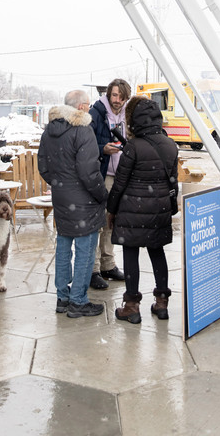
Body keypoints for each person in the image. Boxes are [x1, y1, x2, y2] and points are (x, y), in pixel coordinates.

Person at [107, 96, 179, 324]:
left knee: (131, 254)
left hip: (132, 210)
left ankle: (131, 306)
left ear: (135, 120)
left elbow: (119, 184)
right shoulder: (170, 145)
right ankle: (162, 303)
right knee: (157, 252)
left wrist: (111, 210)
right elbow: (173, 182)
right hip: (159, 210)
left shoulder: (134, 147)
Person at [38, 89, 107, 318]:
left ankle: (62, 297)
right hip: (84, 200)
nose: (89, 108)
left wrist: (61, 185)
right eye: (87, 105)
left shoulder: (49, 130)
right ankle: (78, 300)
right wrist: (101, 194)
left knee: (64, 245)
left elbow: (43, 167)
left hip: (61, 197)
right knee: (86, 250)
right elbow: (89, 172)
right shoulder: (83, 130)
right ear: (81, 107)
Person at [88, 78, 130, 289]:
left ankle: (108, 264)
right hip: (102, 173)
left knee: (111, 221)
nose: (117, 100)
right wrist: (102, 148)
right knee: (97, 221)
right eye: (114, 96)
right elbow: (86, 142)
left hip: (120, 174)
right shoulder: (96, 112)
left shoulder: (127, 114)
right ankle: (93, 269)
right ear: (108, 94)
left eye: (121, 97)